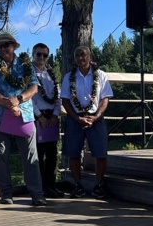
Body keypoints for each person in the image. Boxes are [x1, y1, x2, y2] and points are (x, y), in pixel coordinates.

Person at [0, 32, 46, 206]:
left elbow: (34, 87)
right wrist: (8, 104)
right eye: (0, 46)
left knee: (31, 156)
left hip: (23, 115)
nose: (3, 49)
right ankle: (6, 193)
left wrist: (18, 100)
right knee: (1, 156)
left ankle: (37, 194)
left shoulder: (26, 65)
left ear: (14, 46)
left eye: (6, 45)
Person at [61, 46, 113, 199]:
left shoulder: (101, 75)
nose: (80, 58)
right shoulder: (69, 77)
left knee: (100, 153)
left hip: (95, 118)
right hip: (75, 118)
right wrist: (77, 118)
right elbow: (65, 100)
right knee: (73, 153)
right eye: (77, 55)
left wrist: (96, 116)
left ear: (90, 56)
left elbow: (105, 98)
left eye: (83, 55)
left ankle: (98, 185)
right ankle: (78, 185)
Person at [31, 43, 63, 197]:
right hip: (37, 117)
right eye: (39, 54)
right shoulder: (28, 73)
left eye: (45, 55)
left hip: (52, 118)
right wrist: (39, 116)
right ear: (33, 54)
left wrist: (56, 115)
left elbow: (58, 97)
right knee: (38, 154)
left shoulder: (51, 74)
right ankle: (40, 187)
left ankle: (51, 185)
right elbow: (28, 97)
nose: (42, 58)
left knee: (52, 154)